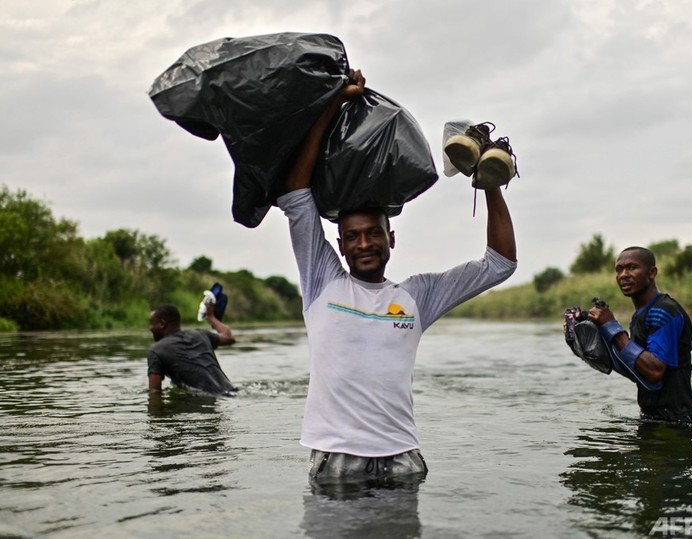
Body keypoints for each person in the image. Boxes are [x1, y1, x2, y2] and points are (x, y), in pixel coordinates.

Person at [277, 69, 518, 483]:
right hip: (337, 461)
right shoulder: (323, 281)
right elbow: (297, 195)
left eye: (374, 234)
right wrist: (335, 103)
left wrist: (489, 184)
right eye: (353, 237)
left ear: (391, 238)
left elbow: (500, 264)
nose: (364, 244)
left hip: (402, 460)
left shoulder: (417, 296)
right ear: (340, 245)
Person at [588, 247, 692, 423]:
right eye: (619, 269)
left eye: (631, 267)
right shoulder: (640, 315)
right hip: (656, 419)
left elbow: (655, 370)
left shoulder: (663, 311)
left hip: (679, 421)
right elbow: (638, 371)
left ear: (652, 273)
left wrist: (612, 327)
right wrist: (590, 336)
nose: (623, 275)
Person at [147, 303, 237, 395]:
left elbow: (154, 394)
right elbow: (229, 337)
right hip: (232, 391)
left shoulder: (156, 351)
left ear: (162, 324)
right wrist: (211, 317)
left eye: (151, 323)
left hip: (203, 398)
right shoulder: (200, 335)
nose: (150, 328)